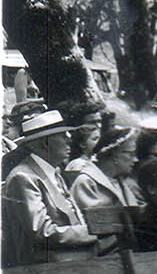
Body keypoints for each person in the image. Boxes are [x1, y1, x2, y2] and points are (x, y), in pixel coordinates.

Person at [3, 109, 96, 264]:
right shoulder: (23, 177)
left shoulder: (54, 172)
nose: (69, 139)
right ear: (45, 143)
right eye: (62, 136)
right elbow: (42, 232)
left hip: (70, 258)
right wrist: (91, 232)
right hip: (44, 269)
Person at [67, 125, 140, 215]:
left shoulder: (120, 182)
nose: (136, 159)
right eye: (131, 154)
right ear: (115, 154)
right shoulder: (87, 182)